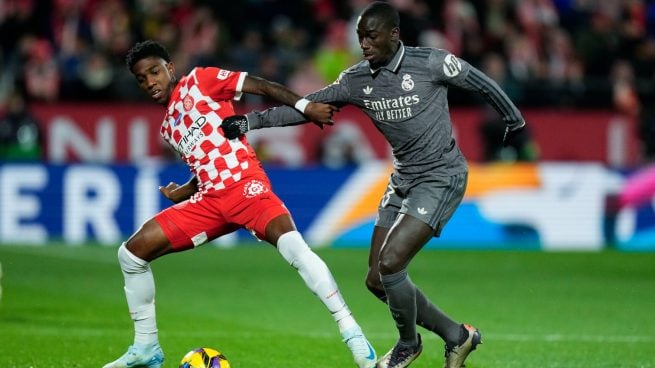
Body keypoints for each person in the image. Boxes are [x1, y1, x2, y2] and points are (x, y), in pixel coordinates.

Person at [221, 2, 526, 368]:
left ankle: (407, 344)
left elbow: (479, 81)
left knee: (392, 262)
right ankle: (458, 337)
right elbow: (307, 106)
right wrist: (249, 123)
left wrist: (513, 118)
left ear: (394, 35)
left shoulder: (430, 62)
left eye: (371, 36)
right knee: (377, 280)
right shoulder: (355, 80)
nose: (363, 44)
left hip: (441, 176)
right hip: (402, 179)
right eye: (360, 37)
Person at [103, 40, 377, 368]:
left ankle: (353, 333)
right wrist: (186, 190)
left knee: (294, 248)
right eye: (141, 78)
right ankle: (146, 347)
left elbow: (262, 85)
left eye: (154, 72)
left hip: (246, 187)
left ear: (169, 68)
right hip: (209, 201)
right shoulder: (169, 127)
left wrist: (305, 107)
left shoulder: (201, 81)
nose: (150, 81)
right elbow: (206, 160)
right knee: (131, 254)